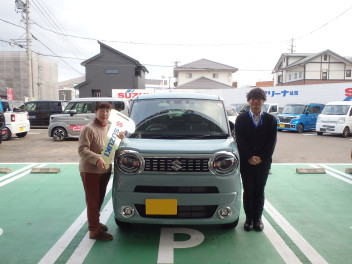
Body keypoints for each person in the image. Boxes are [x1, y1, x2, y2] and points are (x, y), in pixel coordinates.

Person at [78, 102, 125, 241]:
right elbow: (82, 149)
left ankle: (95, 222)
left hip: (104, 170)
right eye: (101, 111)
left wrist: (120, 138)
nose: (104, 114)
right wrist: (96, 157)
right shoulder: (88, 129)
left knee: (99, 199)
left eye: (107, 111)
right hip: (90, 170)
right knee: (92, 201)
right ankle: (94, 231)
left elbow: (110, 147)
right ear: (95, 112)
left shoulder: (109, 129)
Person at [234, 88, 277, 231]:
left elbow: (271, 143)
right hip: (246, 163)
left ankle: (258, 219)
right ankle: (248, 219)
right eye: (253, 98)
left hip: (263, 163)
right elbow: (240, 141)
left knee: (259, 190)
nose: (256, 101)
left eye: (259, 99)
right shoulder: (241, 119)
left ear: (263, 101)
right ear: (249, 101)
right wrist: (249, 157)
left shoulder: (271, 120)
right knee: (248, 190)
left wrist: (261, 158)